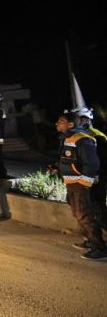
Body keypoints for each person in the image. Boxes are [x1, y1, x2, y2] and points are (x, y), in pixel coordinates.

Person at [54, 111, 106, 260]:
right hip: (72, 182)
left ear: (71, 124)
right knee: (78, 214)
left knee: (84, 214)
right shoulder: (67, 138)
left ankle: (100, 248)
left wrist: (85, 183)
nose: (57, 123)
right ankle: (90, 241)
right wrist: (57, 167)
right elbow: (70, 160)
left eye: (61, 121)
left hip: (79, 184)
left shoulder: (82, 139)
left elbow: (92, 163)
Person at [73, 107, 107, 232]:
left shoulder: (96, 135)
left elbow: (102, 159)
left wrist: (96, 175)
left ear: (85, 120)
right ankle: (93, 240)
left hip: (97, 178)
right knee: (90, 208)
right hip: (89, 176)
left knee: (97, 207)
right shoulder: (82, 135)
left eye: (78, 119)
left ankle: (98, 243)